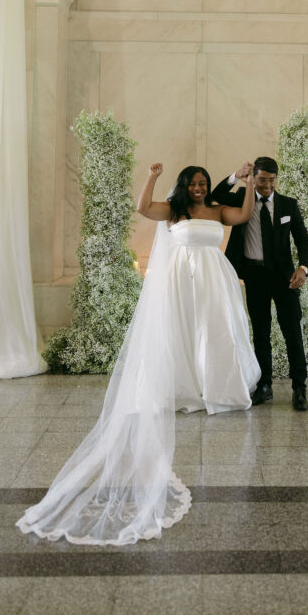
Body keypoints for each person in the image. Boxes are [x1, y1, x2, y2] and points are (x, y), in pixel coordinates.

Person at [16, 162, 260, 547]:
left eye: (203, 184)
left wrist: (246, 183)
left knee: (213, 335)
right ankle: (183, 388)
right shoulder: (175, 209)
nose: (198, 188)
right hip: (180, 277)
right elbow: (143, 207)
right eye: (193, 184)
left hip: (214, 277)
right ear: (185, 185)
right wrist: (151, 176)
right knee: (182, 333)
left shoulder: (216, 209)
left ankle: (217, 388)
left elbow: (244, 214)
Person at [212, 156, 308, 411]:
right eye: (261, 180)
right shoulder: (242, 200)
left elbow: (303, 240)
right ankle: (264, 385)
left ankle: (299, 387)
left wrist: (303, 268)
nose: (267, 186)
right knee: (261, 333)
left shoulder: (289, 205)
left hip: (284, 278)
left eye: (271, 181)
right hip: (254, 276)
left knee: (292, 332)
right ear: (253, 178)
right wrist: (236, 175)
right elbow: (217, 194)